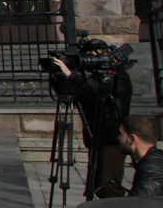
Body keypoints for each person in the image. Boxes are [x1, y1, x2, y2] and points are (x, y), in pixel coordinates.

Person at [49, 38, 133, 198]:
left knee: (108, 184)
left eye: (91, 55)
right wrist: (58, 76)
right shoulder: (89, 80)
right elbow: (71, 94)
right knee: (96, 185)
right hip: (94, 136)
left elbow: (99, 88)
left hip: (113, 137)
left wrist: (72, 75)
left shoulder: (119, 77)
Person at [117, 115, 163, 197]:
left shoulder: (152, 168)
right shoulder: (153, 160)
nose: (118, 138)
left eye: (121, 134)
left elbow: (138, 203)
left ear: (132, 139)